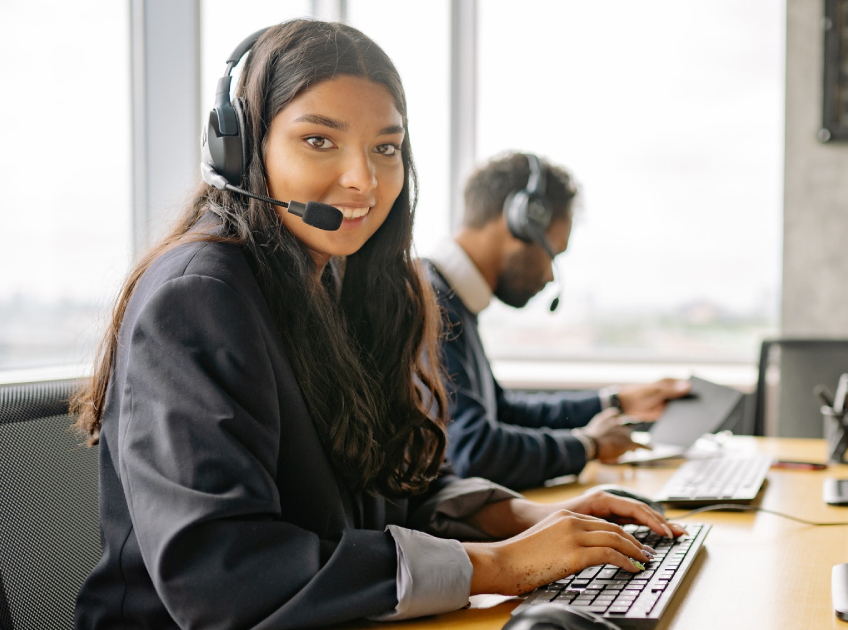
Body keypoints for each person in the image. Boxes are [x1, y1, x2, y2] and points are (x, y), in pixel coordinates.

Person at [71, 21, 682, 629]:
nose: (364, 178)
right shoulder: (199, 295)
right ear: (240, 148)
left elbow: (392, 484)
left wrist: (523, 520)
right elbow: (223, 576)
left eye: (386, 147)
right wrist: (493, 565)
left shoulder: (336, 282)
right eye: (319, 141)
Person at [423, 153, 691, 491]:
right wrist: (587, 446)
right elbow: (474, 452)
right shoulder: (430, 304)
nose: (550, 275)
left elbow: (501, 411)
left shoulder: (452, 298)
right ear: (520, 221)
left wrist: (616, 402)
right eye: (553, 253)